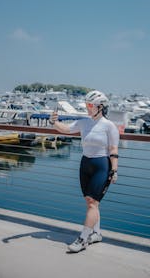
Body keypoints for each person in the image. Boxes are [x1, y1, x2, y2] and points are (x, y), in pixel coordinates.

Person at [49, 90, 119, 253]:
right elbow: (65, 129)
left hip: (102, 165)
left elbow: (113, 149)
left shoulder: (109, 126)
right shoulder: (83, 122)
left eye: (90, 105)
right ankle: (97, 233)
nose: (87, 108)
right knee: (91, 202)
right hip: (85, 164)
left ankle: (83, 238)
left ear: (100, 107)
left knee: (92, 204)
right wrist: (54, 122)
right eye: (86, 105)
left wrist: (114, 170)